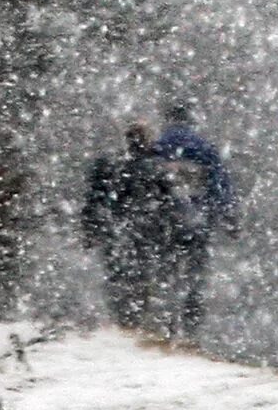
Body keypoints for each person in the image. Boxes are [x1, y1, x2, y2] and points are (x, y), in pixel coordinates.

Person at [81, 125, 177, 328]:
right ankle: (136, 316)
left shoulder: (109, 164)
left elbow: (94, 198)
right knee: (142, 274)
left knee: (117, 272)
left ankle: (121, 315)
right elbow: (168, 203)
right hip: (146, 229)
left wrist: (91, 228)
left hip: (115, 227)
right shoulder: (157, 168)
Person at [153, 103, 236, 337]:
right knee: (195, 271)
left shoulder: (157, 147)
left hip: (165, 218)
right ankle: (191, 321)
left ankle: (166, 318)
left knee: (166, 267)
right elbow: (220, 185)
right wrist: (228, 217)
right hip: (199, 219)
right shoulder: (204, 149)